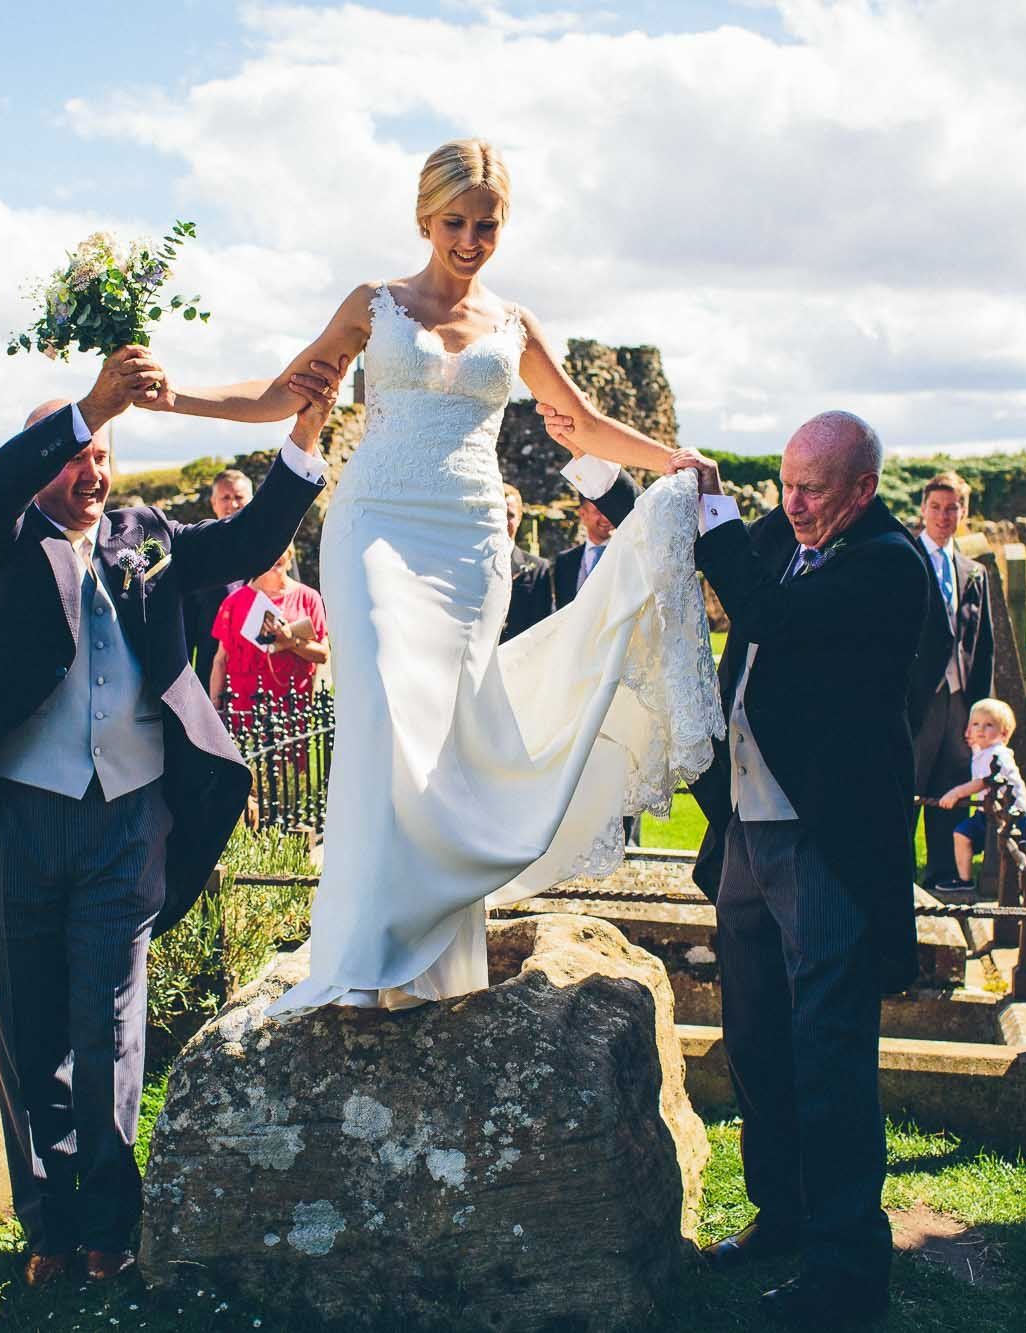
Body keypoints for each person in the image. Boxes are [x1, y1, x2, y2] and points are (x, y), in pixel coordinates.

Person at [140, 137, 719, 1017]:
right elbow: (279, 392)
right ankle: (364, 949)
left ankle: (432, 958)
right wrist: (175, 396)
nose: (470, 238)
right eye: (455, 221)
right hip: (374, 526)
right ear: (424, 217)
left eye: (486, 224)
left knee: (446, 736)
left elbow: (584, 420)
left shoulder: (516, 325)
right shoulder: (374, 307)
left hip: (470, 542)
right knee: (379, 706)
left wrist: (671, 457)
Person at [0, 349, 338, 1287]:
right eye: (75, 456)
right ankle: (48, 1227)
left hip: (128, 817)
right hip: (17, 820)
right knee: (28, 1027)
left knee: (110, 1024)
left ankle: (111, 1228)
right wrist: (88, 406)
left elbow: (245, 544)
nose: (89, 474)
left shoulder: (143, 535)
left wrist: (305, 436)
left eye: (103, 457)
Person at [671, 412, 926, 1326]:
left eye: (814, 488)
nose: (795, 503)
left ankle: (847, 1269)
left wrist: (719, 526)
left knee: (828, 1056)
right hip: (744, 830)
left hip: (823, 840)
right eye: (785, 483)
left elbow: (767, 610)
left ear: (863, 488)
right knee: (758, 1041)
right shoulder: (791, 533)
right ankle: (782, 1216)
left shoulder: (890, 564)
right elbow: (724, 542)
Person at [907, 471, 995, 887]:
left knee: (952, 786)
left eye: (952, 508)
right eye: (936, 507)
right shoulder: (905, 559)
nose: (944, 516)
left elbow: (985, 645)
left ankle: (944, 874)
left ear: (964, 512)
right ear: (923, 510)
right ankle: (897, 873)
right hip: (917, 697)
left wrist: (980, 711)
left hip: (959, 697)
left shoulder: (973, 572)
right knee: (909, 783)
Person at [208, 544, 327, 718]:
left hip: (291, 710)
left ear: (290, 556)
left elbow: (323, 655)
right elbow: (220, 661)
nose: (275, 556)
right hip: (244, 710)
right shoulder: (233, 602)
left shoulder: (309, 598)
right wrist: (214, 708)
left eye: (281, 549)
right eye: (268, 551)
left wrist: (290, 642)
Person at [933, 698, 1026, 890]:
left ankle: (1018, 882)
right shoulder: (982, 751)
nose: (980, 730)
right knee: (961, 834)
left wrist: (956, 793)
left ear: (1004, 733)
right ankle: (964, 879)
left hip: (1011, 815)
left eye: (988, 725)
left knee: (1012, 851)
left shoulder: (999, 754)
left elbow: (984, 781)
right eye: (975, 724)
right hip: (987, 812)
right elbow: (975, 748)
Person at [181, 469, 253, 689]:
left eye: (239, 497)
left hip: (258, 673)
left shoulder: (268, 550)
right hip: (210, 675)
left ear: (251, 500)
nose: (232, 505)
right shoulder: (197, 555)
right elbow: (186, 633)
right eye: (225, 498)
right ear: (213, 503)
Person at [551, 469, 638, 609]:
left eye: (611, 510)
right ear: (583, 514)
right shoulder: (565, 561)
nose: (606, 517)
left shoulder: (632, 555)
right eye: (599, 511)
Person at [499, 482, 553, 642]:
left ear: (520, 518)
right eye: (499, 514)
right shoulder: (472, 564)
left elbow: (541, 625)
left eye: (510, 515)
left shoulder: (539, 569)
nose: (504, 521)